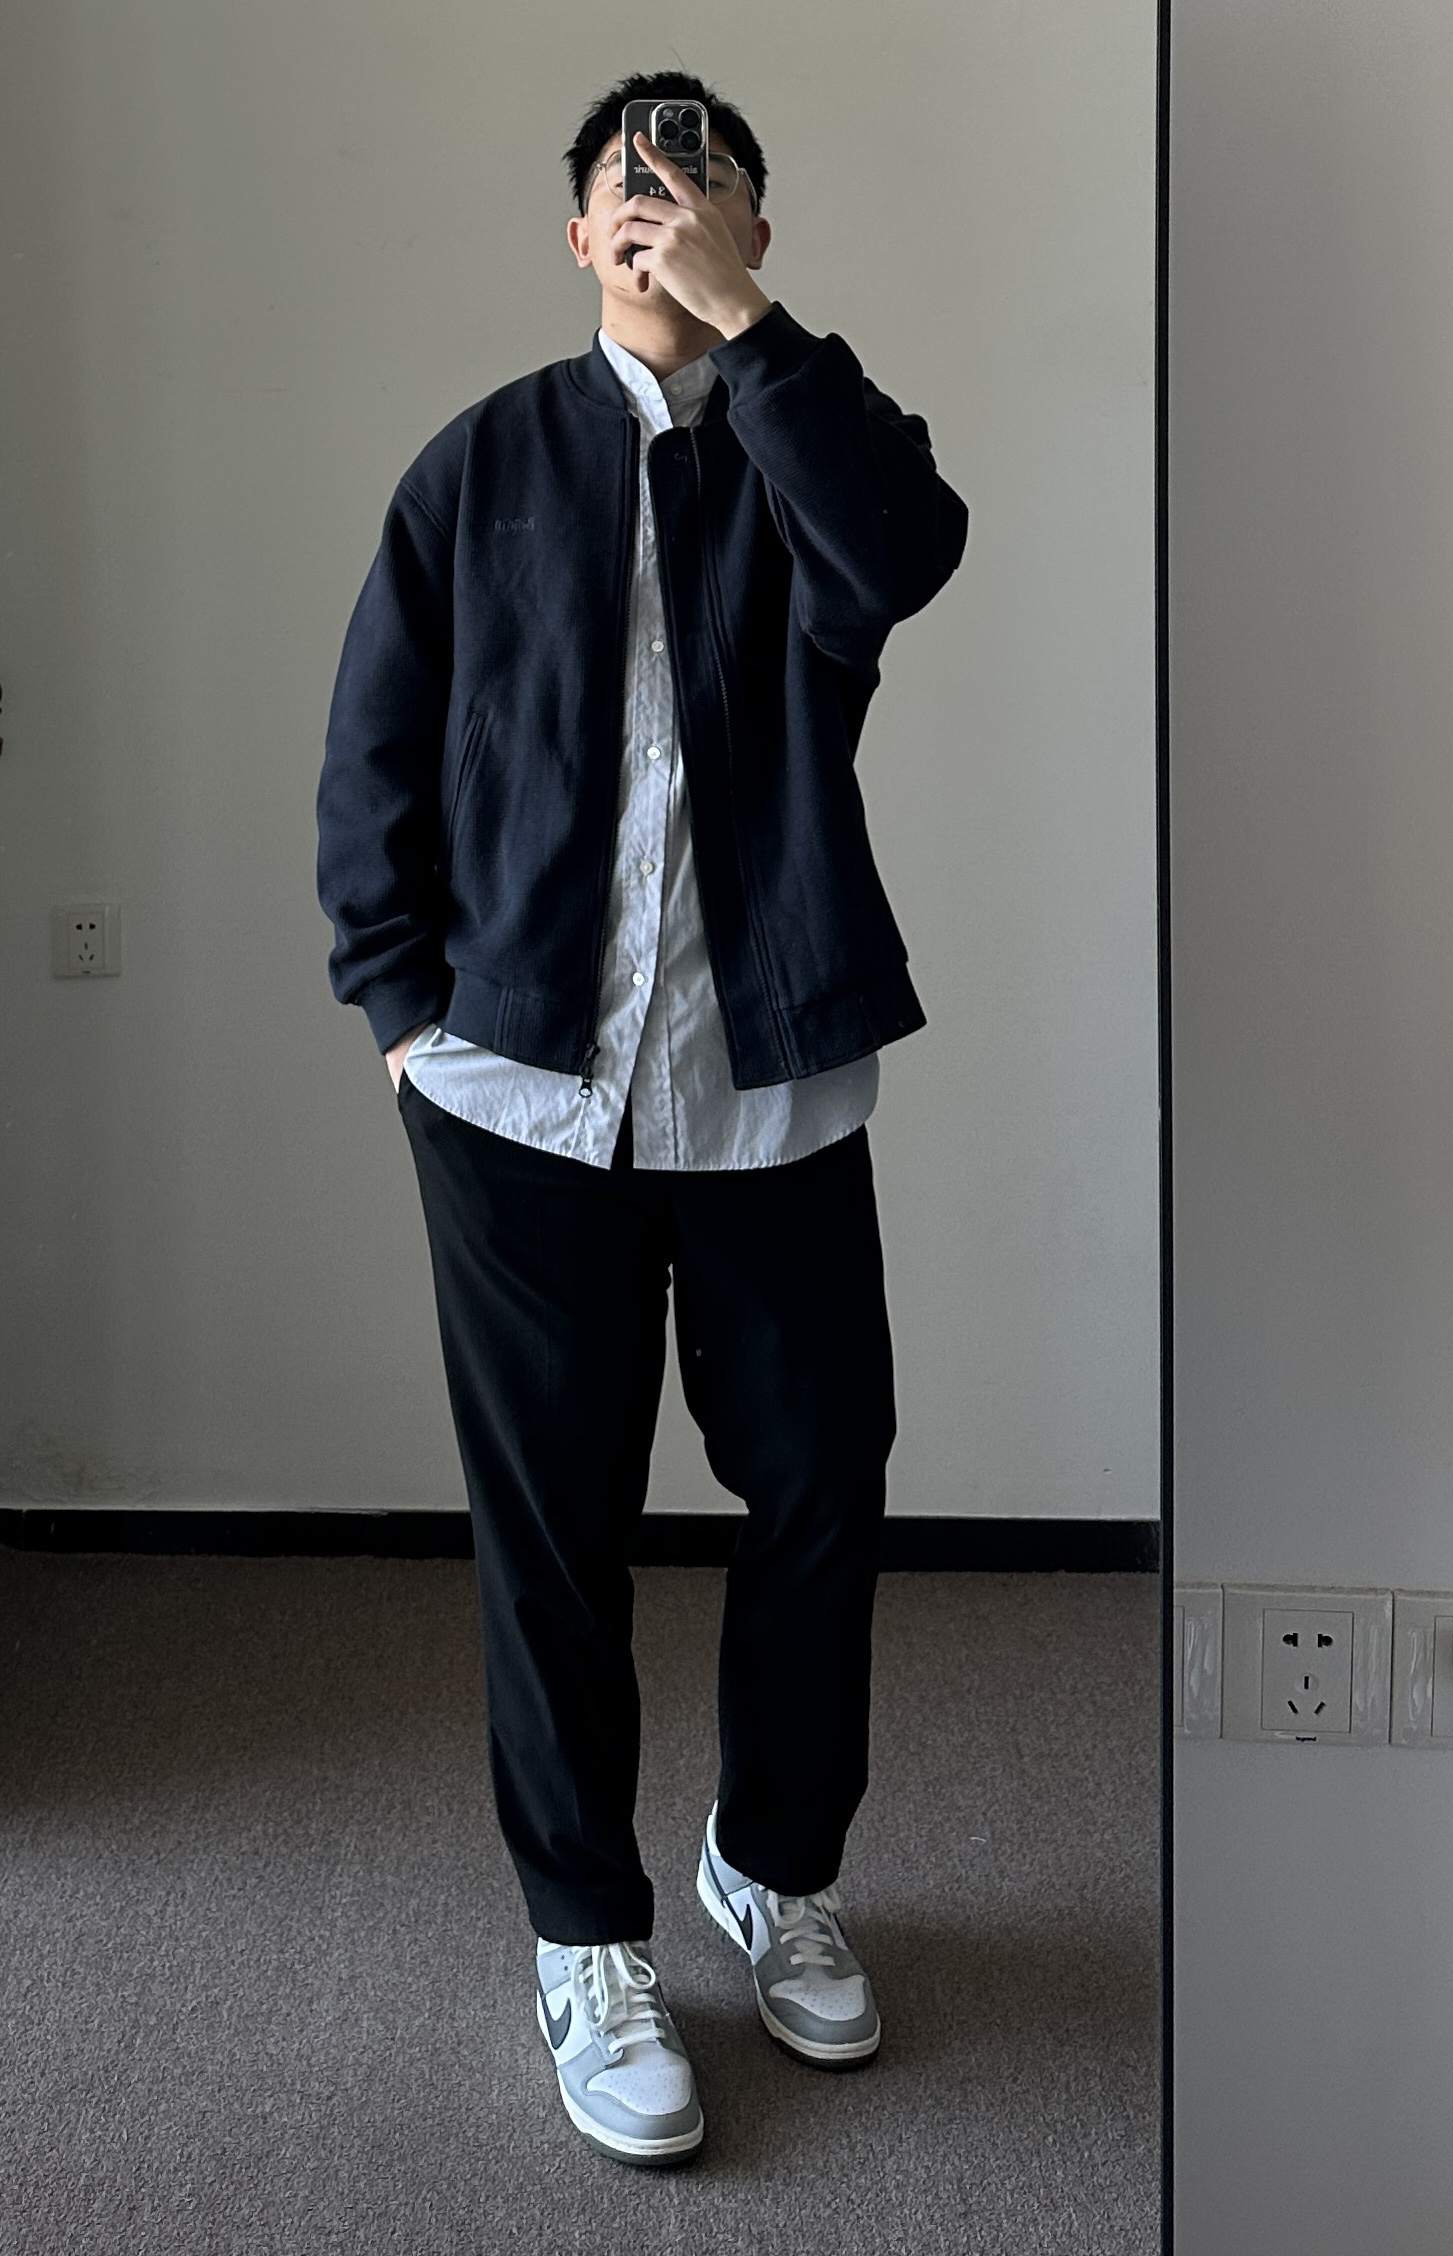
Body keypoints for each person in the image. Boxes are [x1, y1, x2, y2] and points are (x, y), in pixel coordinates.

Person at [315, 69, 968, 2167]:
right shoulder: (483, 463)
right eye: (625, 179)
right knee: (553, 1527)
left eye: (698, 179)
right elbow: (375, 747)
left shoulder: (816, 439)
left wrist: (756, 331)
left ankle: (774, 1870)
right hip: (515, 1094)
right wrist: (400, 1010)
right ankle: (587, 1936)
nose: (657, 202)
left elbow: (907, 557)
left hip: (769, 1081)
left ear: (753, 224)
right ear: (576, 233)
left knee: (821, 1485)